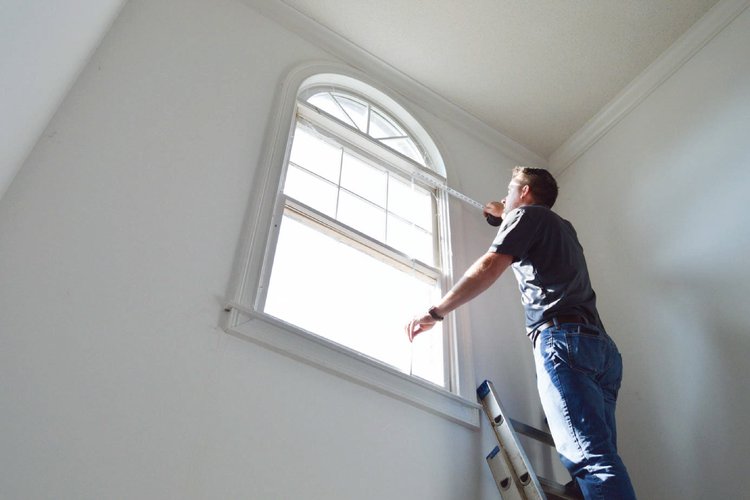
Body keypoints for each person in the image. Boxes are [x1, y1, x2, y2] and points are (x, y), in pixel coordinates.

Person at [405, 166, 636, 500]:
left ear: (525, 192)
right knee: (597, 464)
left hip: (563, 342)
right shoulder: (563, 228)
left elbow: (489, 266)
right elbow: (525, 226)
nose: (503, 198)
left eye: (508, 191)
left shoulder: (525, 216)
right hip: (601, 352)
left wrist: (435, 312)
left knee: (590, 462)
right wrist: (503, 214)